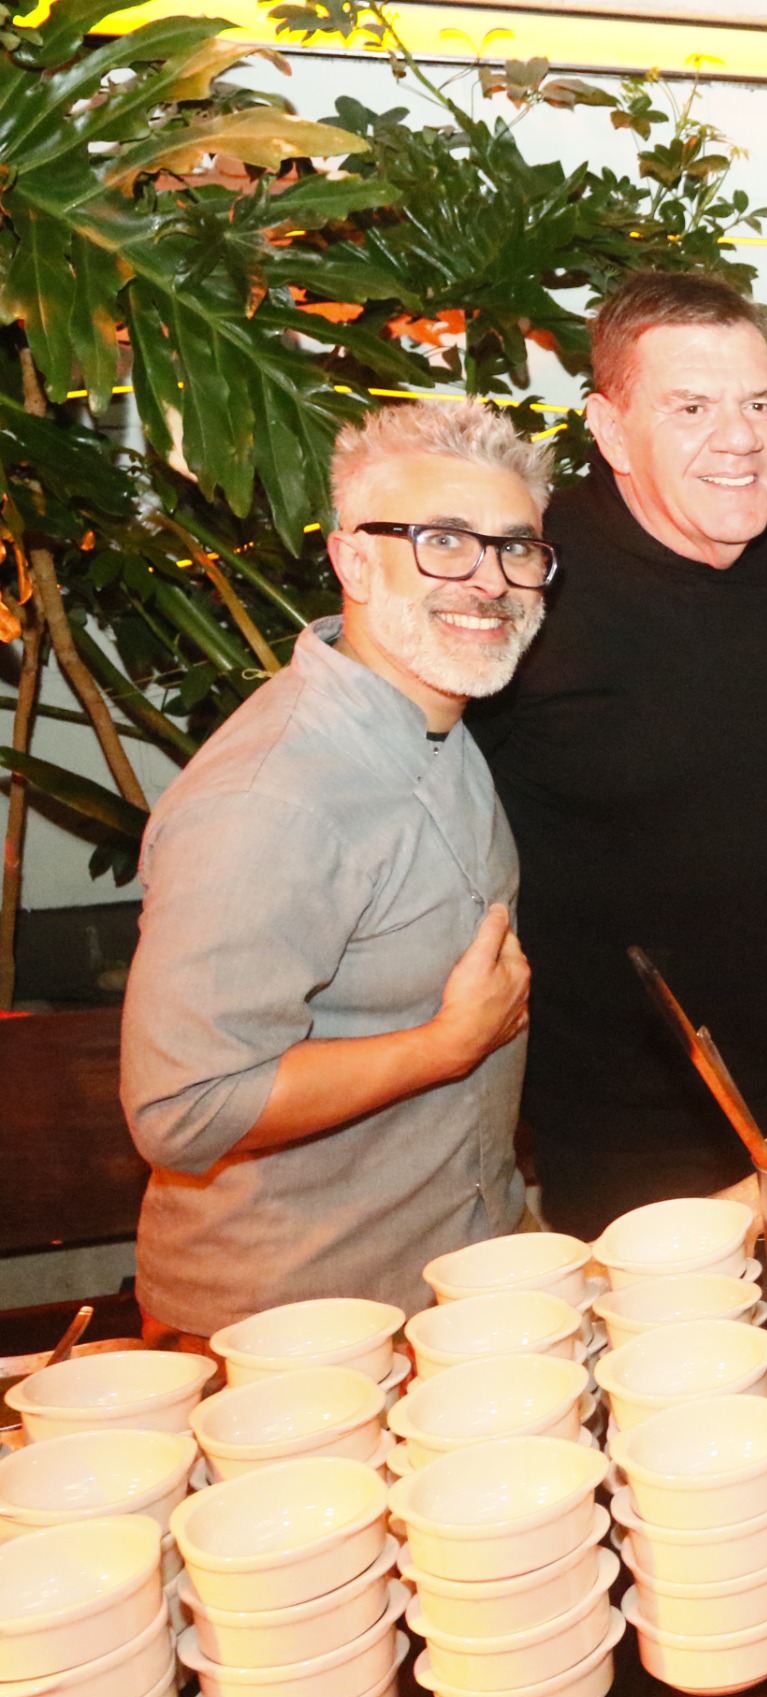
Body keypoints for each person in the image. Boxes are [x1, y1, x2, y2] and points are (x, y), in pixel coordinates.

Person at [122, 401, 548, 1342]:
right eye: (443, 541)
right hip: (290, 1329)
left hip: (459, 1277)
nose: (488, 582)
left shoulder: (444, 721)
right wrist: (445, 1045)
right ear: (353, 560)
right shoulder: (272, 798)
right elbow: (183, 1111)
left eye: (516, 549)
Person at [471, 273, 767, 1237]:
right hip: (620, 1120)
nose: (739, 438)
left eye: (758, 403)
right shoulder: (528, 578)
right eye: (691, 407)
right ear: (609, 431)